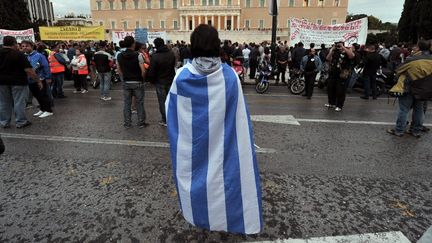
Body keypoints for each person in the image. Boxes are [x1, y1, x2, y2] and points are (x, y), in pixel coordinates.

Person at [165, 24, 262, 234]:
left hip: (195, 144)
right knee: (223, 179)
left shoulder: (181, 76)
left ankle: (200, 216)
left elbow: (171, 111)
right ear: (217, 45)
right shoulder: (230, 77)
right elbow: (239, 116)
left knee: (198, 179)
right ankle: (223, 218)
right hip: (223, 144)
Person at [387, 39, 432, 138]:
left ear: (419, 48)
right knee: (419, 110)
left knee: (404, 110)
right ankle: (416, 131)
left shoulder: (413, 59)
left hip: (409, 87)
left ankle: (399, 130)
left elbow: (399, 70)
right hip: (424, 89)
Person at [0, 36, 41, 128]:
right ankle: (21, 121)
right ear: (14, 44)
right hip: (18, 82)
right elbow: (29, 70)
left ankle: (4, 122)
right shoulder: (18, 54)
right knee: (19, 102)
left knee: (3, 102)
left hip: (2, 82)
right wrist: (38, 80)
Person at [117, 36, 148, 128]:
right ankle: (141, 122)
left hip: (126, 81)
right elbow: (143, 70)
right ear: (133, 44)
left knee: (127, 103)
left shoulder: (119, 55)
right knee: (139, 103)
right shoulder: (138, 55)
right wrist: (142, 79)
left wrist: (124, 77)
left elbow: (119, 70)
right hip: (137, 81)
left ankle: (127, 123)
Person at [147, 38, 176, 127]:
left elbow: (152, 71)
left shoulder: (155, 56)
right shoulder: (171, 54)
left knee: (162, 101)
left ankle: (165, 119)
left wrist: (151, 80)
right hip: (170, 80)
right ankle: (173, 118)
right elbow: (173, 65)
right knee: (171, 100)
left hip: (160, 82)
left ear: (156, 45)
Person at [21, 40, 54, 118]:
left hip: (41, 78)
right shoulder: (24, 56)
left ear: (32, 46)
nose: (24, 48)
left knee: (43, 95)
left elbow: (46, 66)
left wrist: (48, 77)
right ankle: (42, 109)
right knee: (37, 96)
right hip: (30, 80)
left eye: (27, 46)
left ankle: (48, 110)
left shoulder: (39, 55)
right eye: (23, 46)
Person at [325, 42, 356, 111]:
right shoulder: (336, 52)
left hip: (342, 75)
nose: (338, 46)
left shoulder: (347, 52)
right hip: (333, 73)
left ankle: (339, 105)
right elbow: (328, 58)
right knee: (330, 89)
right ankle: (331, 103)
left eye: (340, 45)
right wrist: (331, 50)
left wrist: (343, 47)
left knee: (340, 91)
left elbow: (352, 56)